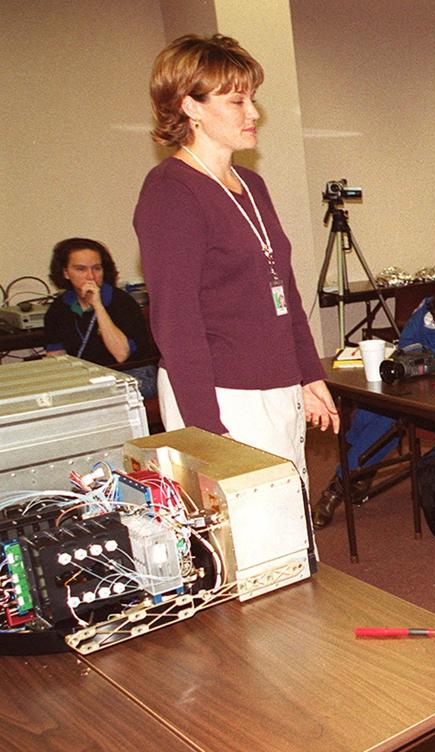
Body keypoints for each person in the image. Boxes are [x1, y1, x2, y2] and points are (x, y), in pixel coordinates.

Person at [133, 33, 337, 491]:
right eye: (236, 100)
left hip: (277, 387)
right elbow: (176, 322)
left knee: (287, 529)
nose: (253, 113)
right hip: (223, 395)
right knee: (249, 541)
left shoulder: (250, 184)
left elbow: (283, 287)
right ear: (191, 107)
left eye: (253, 99)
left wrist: (308, 375)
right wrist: (205, 431)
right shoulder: (171, 191)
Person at [312, 245, 435, 527]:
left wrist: (430, 354)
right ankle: (356, 473)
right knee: (372, 409)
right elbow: (407, 342)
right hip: (413, 381)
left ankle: (338, 486)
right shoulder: (429, 306)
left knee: (383, 417)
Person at [44, 237, 158, 396]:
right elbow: (56, 357)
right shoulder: (59, 308)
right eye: (81, 269)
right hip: (89, 378)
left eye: (97, 268)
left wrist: (98, 305)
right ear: (65, 273)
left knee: (94, 397)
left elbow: (121, 355)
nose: (90, 276)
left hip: (132, 374)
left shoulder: (122, 302)